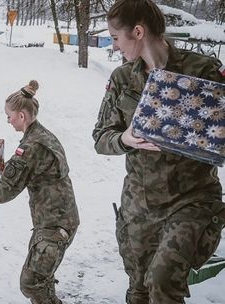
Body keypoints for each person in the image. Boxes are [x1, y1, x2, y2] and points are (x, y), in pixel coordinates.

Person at [92, 0, 225, 303]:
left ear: (137, 31)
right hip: (139, 205)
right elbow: (101, 138)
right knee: (139, 288)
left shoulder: (202, 70)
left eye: (115, 37)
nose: (114, 46)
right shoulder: (122, 79)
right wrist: (125, 138)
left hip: (191, 200)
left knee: (163, 281)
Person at [0, 80, 80, 304]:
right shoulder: (43, 135)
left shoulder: (30, 148)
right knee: (42, 278)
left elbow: (5, 190)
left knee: (31, 282)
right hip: (56, 220)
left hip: (54, 225)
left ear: (22, 116)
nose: (8, 120)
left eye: (9, 116)